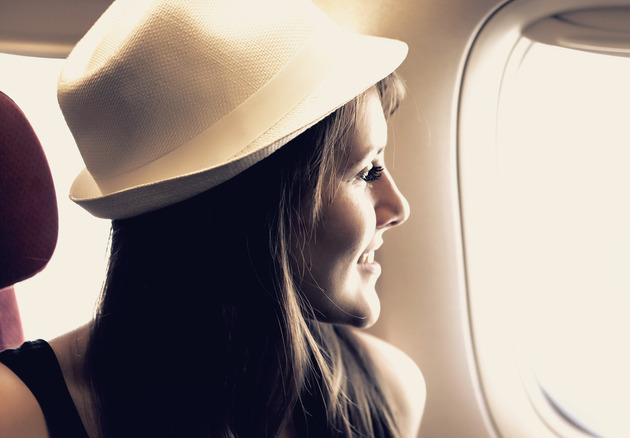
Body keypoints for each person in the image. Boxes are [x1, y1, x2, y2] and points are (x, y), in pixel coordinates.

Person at [0, 0, 425, 437]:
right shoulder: (15, 417)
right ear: (250, 211)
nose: (398, 207)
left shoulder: (393, 391)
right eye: (366, 171)